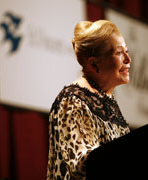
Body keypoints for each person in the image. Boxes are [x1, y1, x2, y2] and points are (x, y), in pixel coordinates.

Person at [46, 20, 131, 180]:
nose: (128, 59)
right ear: (94, 64)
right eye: (119, 53)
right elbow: (83, 165)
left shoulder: (107, 100)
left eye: (127, 51)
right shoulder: (72, 100)